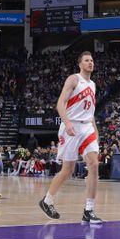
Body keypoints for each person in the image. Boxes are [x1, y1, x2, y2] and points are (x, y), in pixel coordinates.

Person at [39, 52, 103, 224]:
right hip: (72, 125)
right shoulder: (73, 79)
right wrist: (67, 124)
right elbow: (60, 103)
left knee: (94, 164)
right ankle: (47, 200)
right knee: (68, 170)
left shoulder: (93, 84)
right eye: (87, 60)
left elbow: (90, 112)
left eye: (92, 60)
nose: (90, 63)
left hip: (87, 126)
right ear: (80, 64)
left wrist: (96, 132)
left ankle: (89, 210)